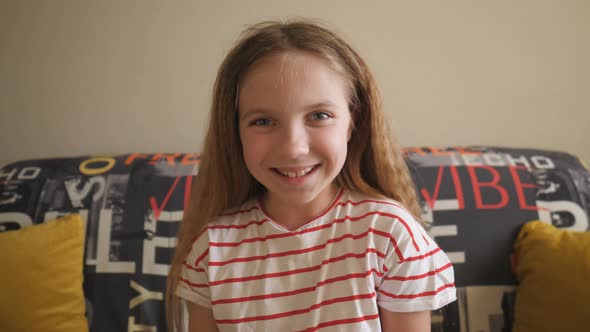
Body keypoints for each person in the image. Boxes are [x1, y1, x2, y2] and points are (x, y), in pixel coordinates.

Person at [166, 19, 456, 332]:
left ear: (351, 123)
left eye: (319, 116)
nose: (293, 148)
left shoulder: (390, 235)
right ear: (234, 131)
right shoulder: (212, 251)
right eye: (263, 121)